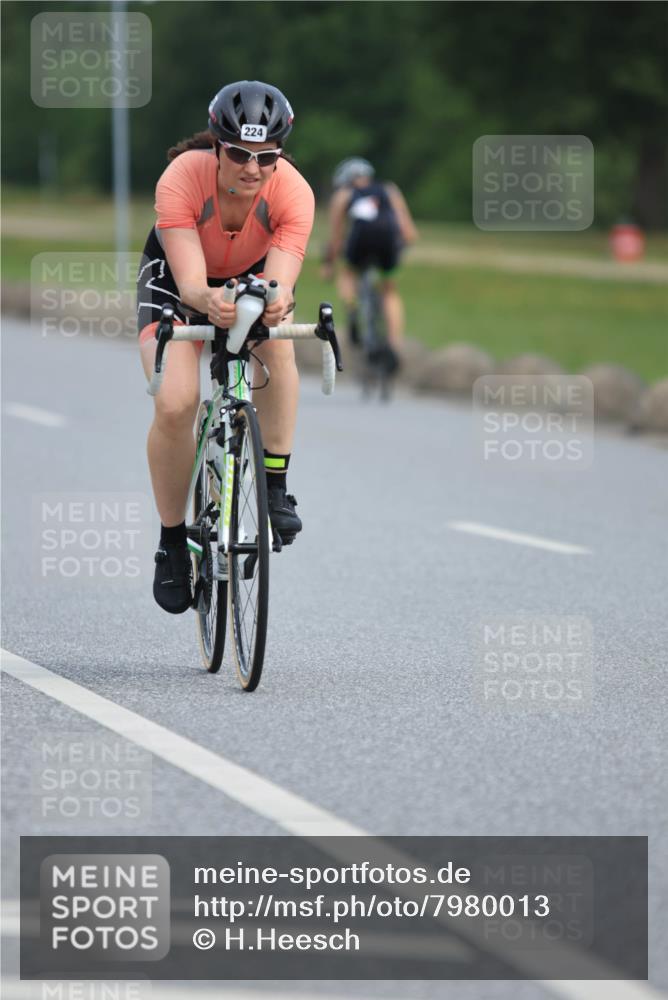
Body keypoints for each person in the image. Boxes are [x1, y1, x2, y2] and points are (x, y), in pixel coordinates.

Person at [137, 80, 314, 614]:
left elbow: (280, 282)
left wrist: (276, 304)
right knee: (176, 403)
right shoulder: (181, 178)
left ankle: (275, 484)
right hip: (178, 281)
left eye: (266, 157)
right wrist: (210, 302)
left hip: (250, 279)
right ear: (216, 147)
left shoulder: (295, 193)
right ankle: (171, 541)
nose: (252, 168)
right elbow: (194, 285)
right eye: (238, 153)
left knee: (277, 346)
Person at [321, 157, 417, 359]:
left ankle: (352, 309)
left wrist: (329, 263)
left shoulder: (344, 194)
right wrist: (400, 249)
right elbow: (408, 232)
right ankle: (394, 344)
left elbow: (336, 237)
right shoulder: (389, 189)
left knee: (347, 274)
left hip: (360, 241)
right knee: (389, 291)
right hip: (388, 241)